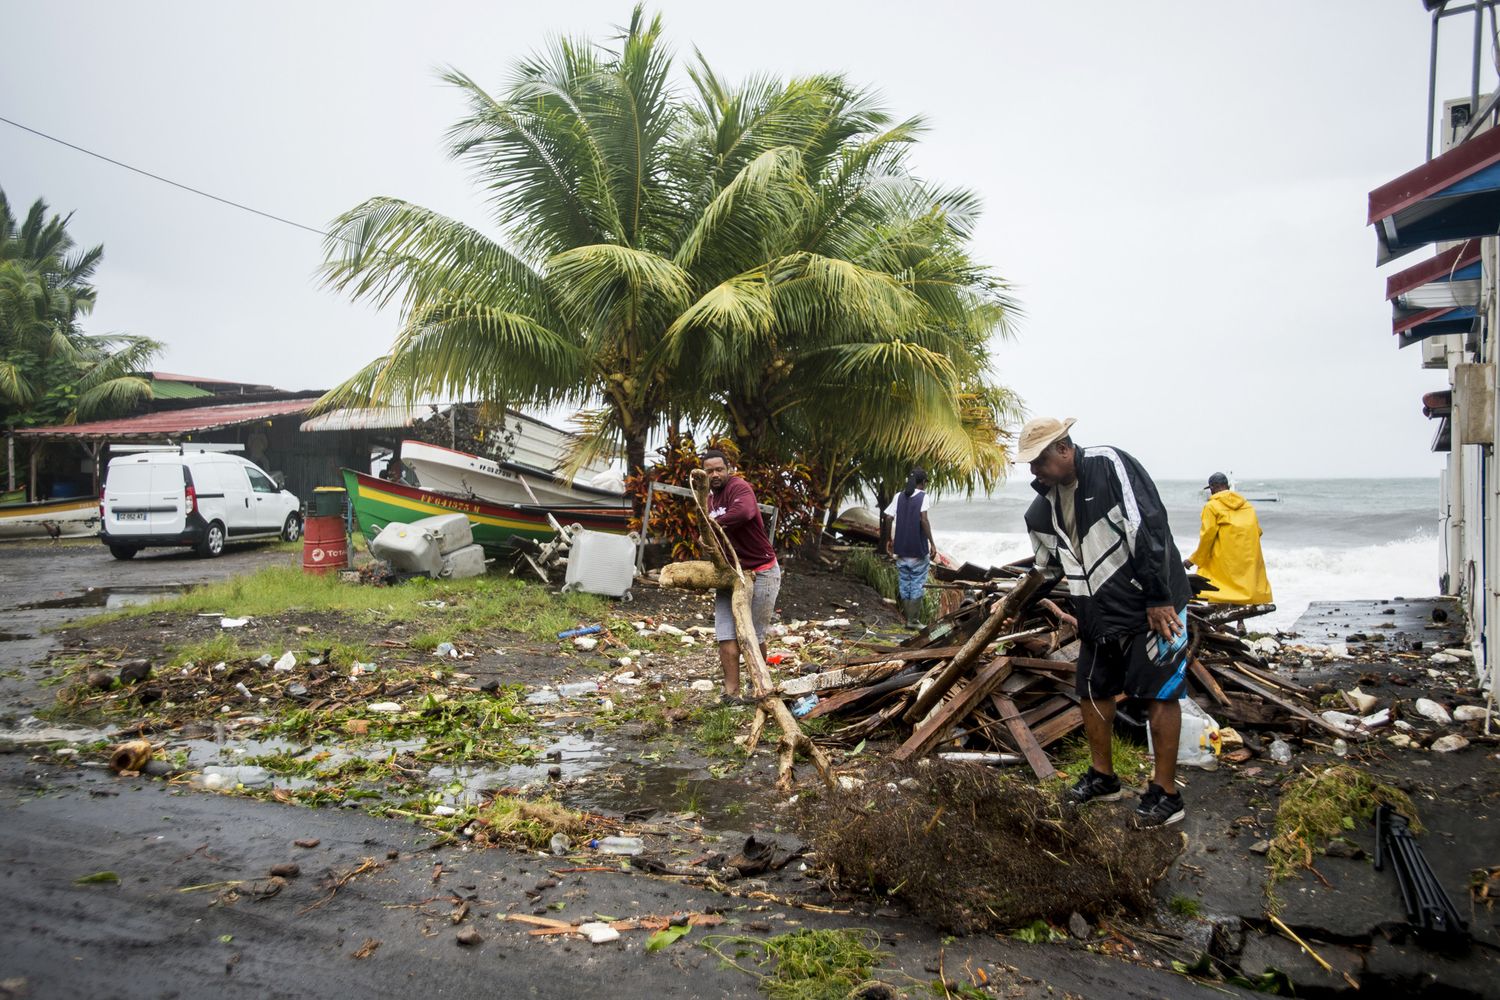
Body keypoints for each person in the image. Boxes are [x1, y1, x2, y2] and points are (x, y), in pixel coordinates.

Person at [1016, 417, 1193, 827]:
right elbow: (1047, 568)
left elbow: (1148, 524)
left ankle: (1166, 793)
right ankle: (1103, 777)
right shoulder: (1041, 508)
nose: (1034, 471)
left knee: (1159, 693)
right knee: (1092, 690)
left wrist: (1159, 596)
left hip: (1150, 604)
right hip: (1096, 612)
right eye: (1029, 464)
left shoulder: (1108, 464)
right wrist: (1017, 602)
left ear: (1064, 448)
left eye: (1038, 460)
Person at [702, 449, 781, 703]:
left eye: (719, 469)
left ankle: (761, 688)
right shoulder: (708, 499)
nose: (714, 474)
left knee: (753, 635)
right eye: (709, 471)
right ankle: (731, 694)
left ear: (728, 469)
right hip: (730, 574)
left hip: (761, 571)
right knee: (725, 633)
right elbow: (708, 533)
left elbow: (745, 513)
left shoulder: (740, 488)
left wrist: (714, 523)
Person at [1184, 473, 1273, 605]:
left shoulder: (1211, 506)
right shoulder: (1247, 505)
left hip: (1224, 560)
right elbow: (1257, 531)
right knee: (1241, 588)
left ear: (1212, 488)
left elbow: (1207, 536)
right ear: (1228, 486)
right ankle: (1240, 621)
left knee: (1213, 583)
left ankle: (1217, 618)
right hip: (1246, 558)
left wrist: (1193, 560)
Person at [884, 467, 937, 626]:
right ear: (923, 482)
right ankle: (912, 620)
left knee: (905, 583)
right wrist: (932, 543)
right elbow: (923, 520)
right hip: (918, 550)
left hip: (901, 549)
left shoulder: (898, 496)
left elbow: (888, 518)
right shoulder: (923, 496)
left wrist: (889, 539)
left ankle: (909, 619)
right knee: (917, 584)